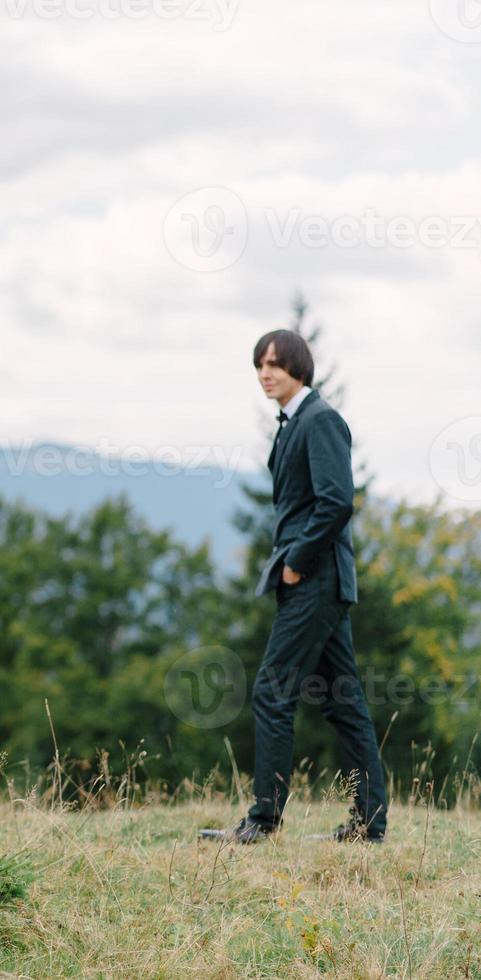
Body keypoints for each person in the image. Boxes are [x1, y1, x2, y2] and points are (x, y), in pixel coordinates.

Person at [201, 329, 387, 845]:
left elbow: (336, 502)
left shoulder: (321, 419)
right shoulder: (291, 425)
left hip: (315, 578)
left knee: (272, 690)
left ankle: (262, 823)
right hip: (310, 581)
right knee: (343, 700)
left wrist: (296, 564)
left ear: (298, 368)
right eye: (259, 365)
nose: (265, 373)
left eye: (275, 365)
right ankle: (368, 826)